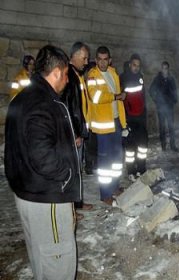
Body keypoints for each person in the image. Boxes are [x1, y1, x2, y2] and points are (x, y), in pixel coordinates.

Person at [4, 45, 80, 279]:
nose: (67, 80)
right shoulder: (42, 103)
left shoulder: (23, 98)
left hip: (27, 193)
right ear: (57, 72)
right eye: (66, 74)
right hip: (48, 200)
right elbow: (41, 155)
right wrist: (67, 174)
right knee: (58, 263)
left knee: (42, 259)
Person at [87, 46, 127, 205]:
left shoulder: (113, 73)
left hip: (116, 121)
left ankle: (115, 187)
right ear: (96, 60)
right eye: (100, 59)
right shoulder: (92, 76)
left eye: (105, 59)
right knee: (105, 163)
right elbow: (95, 97)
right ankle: (105, 194)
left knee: (117, 158)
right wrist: (116, 96)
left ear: (109, 60)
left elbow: (118, 100)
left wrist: (123, 122)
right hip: (103, 126)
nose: (103, 62)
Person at [61, 42, 93, 219]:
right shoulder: (69, 77)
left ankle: (77, 203)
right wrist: (76, 133)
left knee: (77, 168)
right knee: (72, 170)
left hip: (79, 130)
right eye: (84, 58)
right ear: (73, 56)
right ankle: (70, 209)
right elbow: (69, 108)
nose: (87, 61)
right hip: (74, 134)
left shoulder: (77, 75)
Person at [120, 54, 148, 179]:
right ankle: (131, 171)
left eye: (138, 65)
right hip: (129, 118)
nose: (136, 68)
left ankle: (141, 170)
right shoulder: (123, 78)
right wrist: (123, 120)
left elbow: (142, 96)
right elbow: (121, 99)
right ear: (130, 64)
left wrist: (144, 112)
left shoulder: (140, 77)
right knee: (130, 149)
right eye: (134, 65)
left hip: (140, 118)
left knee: (142, 147)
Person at [149, 61, 178, 151]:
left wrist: (174, 100)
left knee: (171, 126)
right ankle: (163, 146)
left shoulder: (171, 79)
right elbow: (151, 90)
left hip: (169, 107)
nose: (164, 70)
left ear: (168, 69)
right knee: (162, 127)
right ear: (161, 69)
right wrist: (156, 100)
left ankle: (173, 146)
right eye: (163, 68)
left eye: (166, 68)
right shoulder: (157, 79)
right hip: (161, 107)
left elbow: (174, 90)